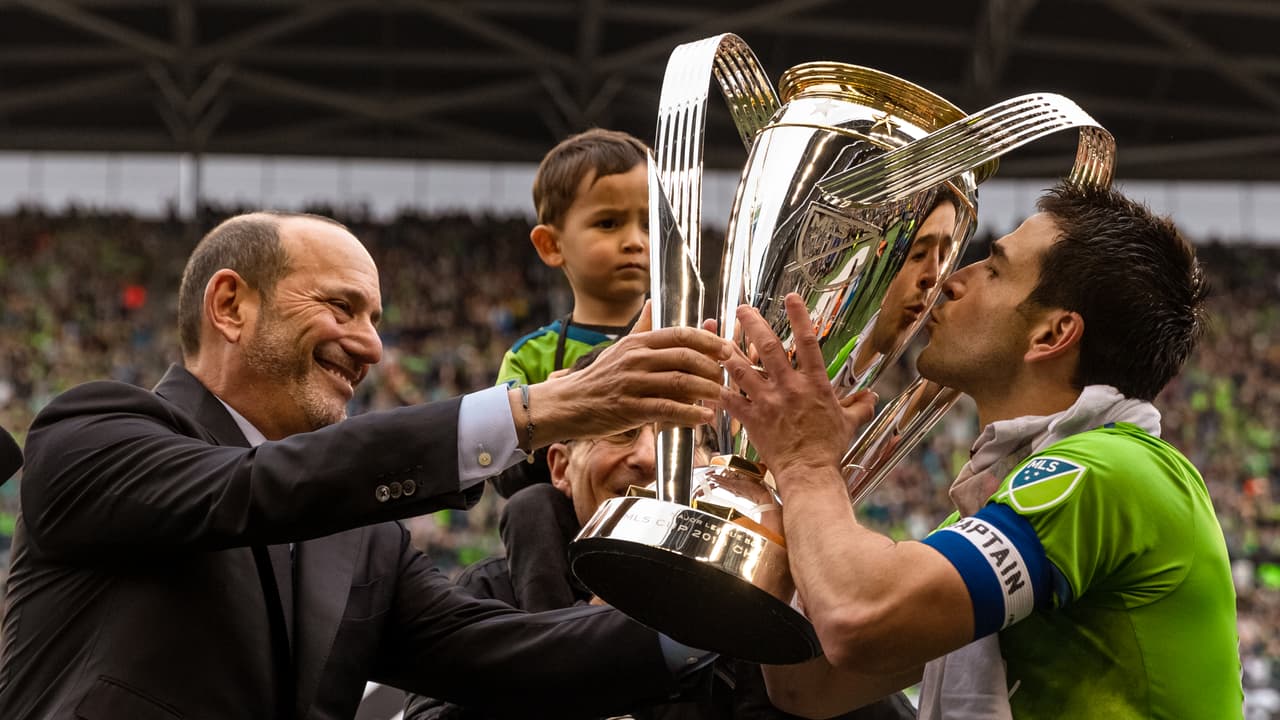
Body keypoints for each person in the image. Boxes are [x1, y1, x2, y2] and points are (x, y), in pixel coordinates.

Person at [0, 211, 735, 719]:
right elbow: (253, 487)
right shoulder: (90, 432)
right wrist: (527, 410)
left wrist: (732, 602)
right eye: (343, 308)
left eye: (376, 319)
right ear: (231, 306)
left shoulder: (367, 543)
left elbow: (505, 654)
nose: (373, 346)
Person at [718, 182, 1243, 719]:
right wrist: (771, 481)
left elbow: (858, 618)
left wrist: (807, 462)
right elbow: (810, 687)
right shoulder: (1012, 497)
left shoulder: (1112, 471)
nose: (951, 281)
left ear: (1052, 334)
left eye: (992, 269)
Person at [403, 353, 915, 720]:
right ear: (559, 467)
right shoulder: (488, 598)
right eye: (622, 429)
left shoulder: (756, 612)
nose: (651, 458)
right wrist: (584, 636)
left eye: (680, 436)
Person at [492, 128, 650, 498]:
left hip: (668, 513)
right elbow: (501, 473)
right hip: (568, 523)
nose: (635, 241)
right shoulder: (529, 357)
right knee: (530, 506)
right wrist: (556, 410)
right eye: (608, 223)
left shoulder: (686, 338)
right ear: (551, 245)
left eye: (649, 224)